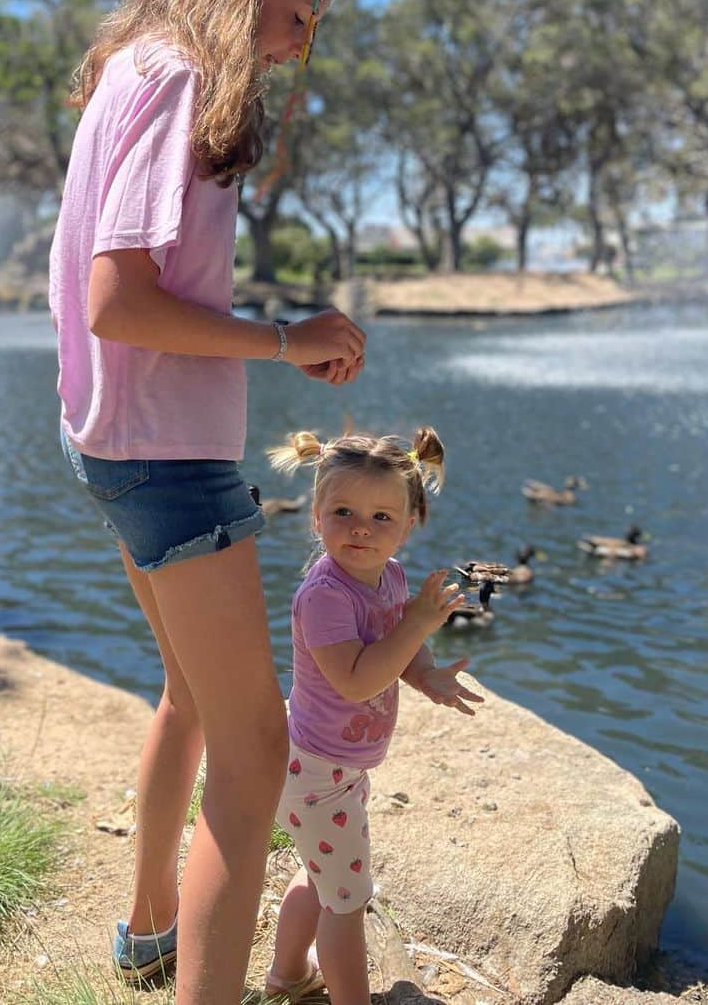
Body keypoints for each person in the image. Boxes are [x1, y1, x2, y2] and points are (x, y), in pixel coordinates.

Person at [48, 0, 366, 1005]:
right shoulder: (178, 76)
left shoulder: (135, 66)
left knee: (188, 696)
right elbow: (117, 303)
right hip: (168, 460)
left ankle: (147, 936)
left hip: (115, 446)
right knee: (254, 751)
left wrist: (273, 339)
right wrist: (286, 339)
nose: (313, 19)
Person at [262, 427, 484, 1004]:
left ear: (411, 524)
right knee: (347, 902)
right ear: (315, 516)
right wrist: (417, 624)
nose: (362, 528)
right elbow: (357, 678)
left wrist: (425, 671)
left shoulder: (389, 576)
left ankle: (288, 975)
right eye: (343, 511)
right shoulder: (326, 597)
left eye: (382, 517)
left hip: (339, 765)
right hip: (315, 772)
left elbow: (395, 644)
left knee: (319, 877)